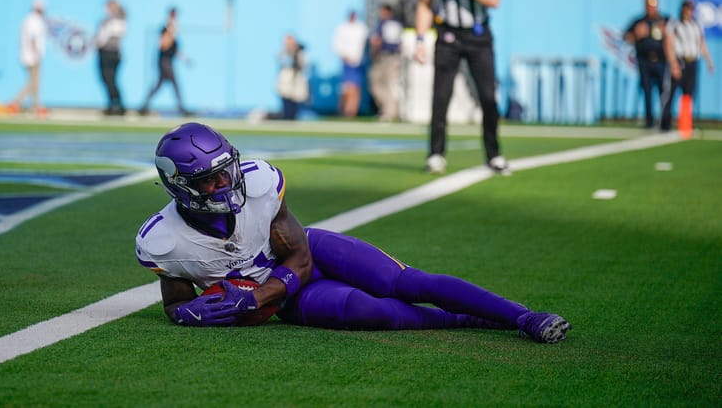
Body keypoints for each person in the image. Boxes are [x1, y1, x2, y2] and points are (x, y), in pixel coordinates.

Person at [135, 122, 572, 343]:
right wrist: (188, 315)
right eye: (209, 182)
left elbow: (301, 259)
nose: (225, 185)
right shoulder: (164, 240)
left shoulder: (261, 181)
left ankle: (521, 316)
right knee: (374, 312)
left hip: (305, 258)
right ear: (179, 186)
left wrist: (258, 295)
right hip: (289, 299)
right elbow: (176, 302)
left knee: (406, 282)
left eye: (225, 172)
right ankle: (466, 318)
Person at [414, 0, 510, 176]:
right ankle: (435, 154)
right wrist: (420, 39)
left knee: (487, 96)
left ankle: (493, 154)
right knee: (440, 96)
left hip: (478, 36)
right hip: (448, 36)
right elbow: (425, 4)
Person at [663, 0, 715, 131]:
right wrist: (673, 64)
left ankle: (685, 124)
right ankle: (665, 123)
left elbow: (701, 43)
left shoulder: (696, 25)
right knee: (671, 93)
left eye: (691, 9)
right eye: (687, 9)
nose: (689, 12)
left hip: (693, 62)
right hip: (680, 61)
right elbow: (669, 44)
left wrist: (709, 60)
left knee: (688, 94)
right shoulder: (675, 24)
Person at [623, 0, 669, 129]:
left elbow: (674, 36)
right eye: (648, 6)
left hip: (660, 60)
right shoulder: (639, 22)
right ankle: (649, 120)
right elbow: (626, 36)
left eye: (653, 6)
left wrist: (666, 32)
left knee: (664, 92)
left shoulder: (663, 20)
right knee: (647, 91)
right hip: (645, 61)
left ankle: (664, 120)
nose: (651, 9)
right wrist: (636, 35)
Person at [139, 8, 192, 117]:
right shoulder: (165, 30)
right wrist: (170, 32)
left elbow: (175, 49)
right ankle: (182, 108)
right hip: (164, 61)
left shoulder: (173, 31)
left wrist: (185, 59)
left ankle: (144, 106)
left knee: (159, 85)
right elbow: (163, 45)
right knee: (175, 84)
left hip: (168, 61)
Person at [9, 0, 48, 116]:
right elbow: (33, 38)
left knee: (35, 82)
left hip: (29, 55)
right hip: (32, 56)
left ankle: (36, 106)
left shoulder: (30, 19)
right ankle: (16, 102)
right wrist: (36, 53)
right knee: (33, 83)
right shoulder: (33, 20)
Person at [368, 4, 403, 122]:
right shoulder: (398, 23)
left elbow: (376, 40)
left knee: (377, 83)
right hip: (395, 57)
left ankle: (389, 110)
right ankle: (389, 110)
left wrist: (373, 52)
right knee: (388, 85)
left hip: (384, 57)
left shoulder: (383, 23)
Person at [332, 11, 369, 118]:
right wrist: (344, 55)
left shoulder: (361, 28)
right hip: (346, 61)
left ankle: (352, 111)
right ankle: (344, 109)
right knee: (346, 88)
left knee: (356, 87)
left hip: (358, 62)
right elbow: (337, 44)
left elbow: (364, 44)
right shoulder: (342, 27)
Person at [95, 0, 127, 116]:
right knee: (108, 80)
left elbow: (103, 37)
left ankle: (117, 105)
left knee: (110, 79)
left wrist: (96, 43)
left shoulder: (115, 20)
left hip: (109, 52)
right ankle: (113, 104)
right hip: (111, 52)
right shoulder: (114, 20)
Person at [275, 34, 309, 120]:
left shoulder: (300, 53)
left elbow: (303, 64)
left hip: (296, 82)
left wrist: (297, 53)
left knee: (295, 105)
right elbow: (283, 62)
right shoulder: (283, 53)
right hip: (286, 83)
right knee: (286, 105)